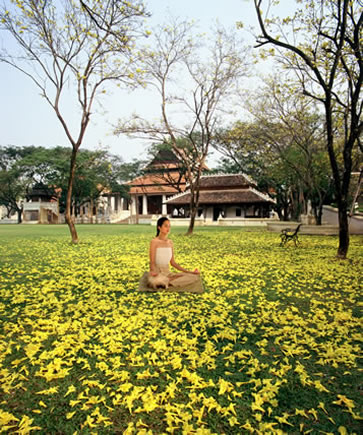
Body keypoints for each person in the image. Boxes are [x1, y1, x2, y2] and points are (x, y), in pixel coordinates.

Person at [148, 217, 200, 288]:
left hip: (168, 273)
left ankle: (167, 282)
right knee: (155, 280)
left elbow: (173, 263)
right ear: (159, 227)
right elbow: (152, 261)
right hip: (158, 273)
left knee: (194, 277)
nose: (168, 228)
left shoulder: (170, 242)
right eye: (166, 226)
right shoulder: (154, 242)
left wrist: (190, 272)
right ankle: (163, 282)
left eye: (169, 226)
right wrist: (153, 271)